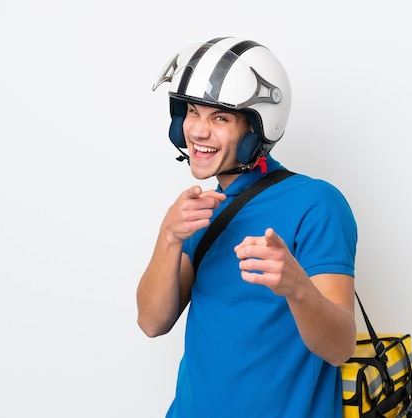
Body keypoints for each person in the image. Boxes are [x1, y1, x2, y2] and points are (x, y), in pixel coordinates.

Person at [136, 36, 358, 418]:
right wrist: (168, 236)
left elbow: (340, 347)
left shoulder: (316, 203)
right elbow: (152, 322)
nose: (198, 132)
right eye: (191, 112)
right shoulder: (200, 210)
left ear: (257, 128)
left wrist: (296, 288)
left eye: (219, 118)